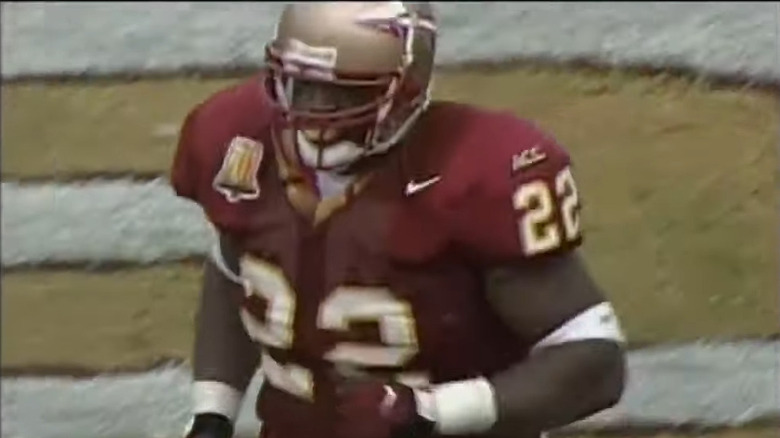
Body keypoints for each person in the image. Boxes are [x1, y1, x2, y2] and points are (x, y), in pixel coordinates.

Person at [172, 3, 627, 438]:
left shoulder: (474, 170)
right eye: (304, 85)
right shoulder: (239, 137)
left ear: (406, 87)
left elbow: (592, 359)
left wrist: (432, 411)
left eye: (346, 91)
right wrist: (213, 412)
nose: (317, 111)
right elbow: (235, 271)